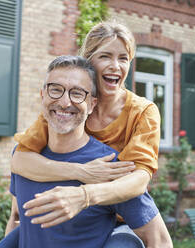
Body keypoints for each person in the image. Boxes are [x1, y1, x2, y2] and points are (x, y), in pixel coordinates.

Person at [11, 21, 172, 247]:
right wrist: (83, 172)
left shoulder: (142, 112)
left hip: (122, 218)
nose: (115, 66)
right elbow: (19, 160)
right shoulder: (66, 108)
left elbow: (139, 181)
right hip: (70, 216)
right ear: (89, 61)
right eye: (105, 56)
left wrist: (85, 194)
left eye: (123, 58)